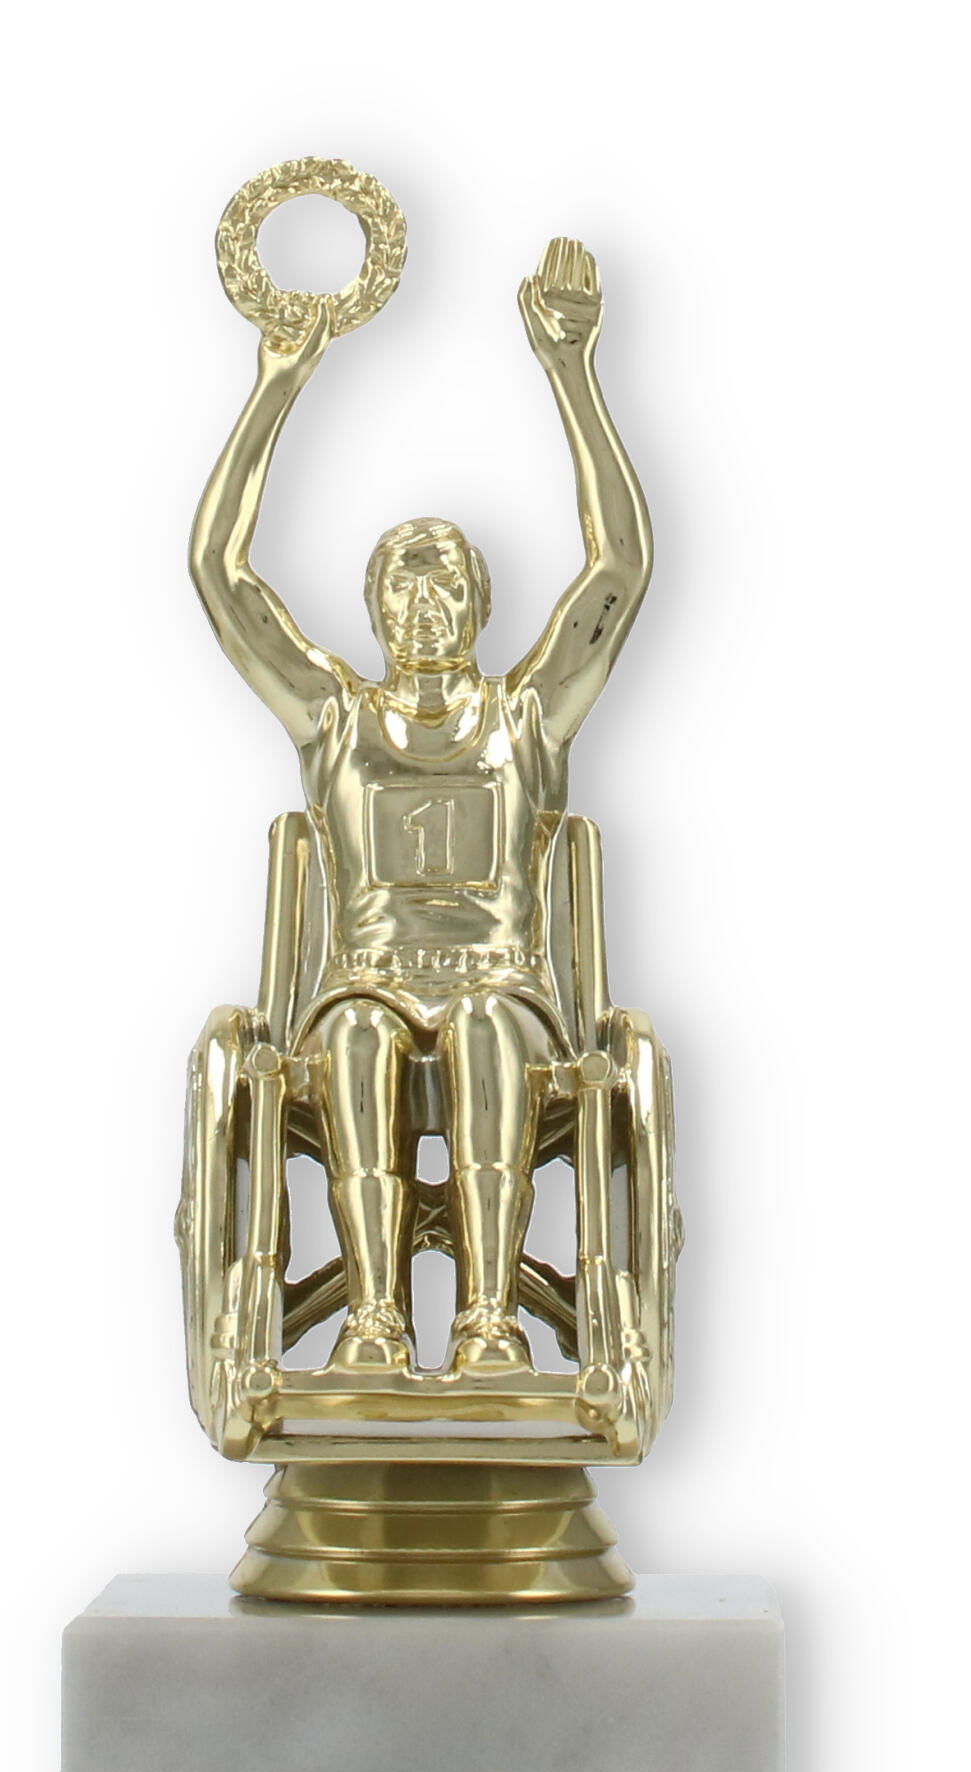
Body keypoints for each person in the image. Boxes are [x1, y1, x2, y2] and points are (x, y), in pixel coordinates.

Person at [190, 238, 652, 1376]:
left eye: (446, 579)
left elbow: (617, 574)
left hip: (504, 991)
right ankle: (374, 1318)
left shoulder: (524, 719)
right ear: (372, 609)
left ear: (481, 604)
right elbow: (220, 576)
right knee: (355, 1036)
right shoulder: (334, 720)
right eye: (402, 581)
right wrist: (274, 386)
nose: (425, 601)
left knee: (487, 1029)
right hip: (362, 987)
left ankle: (489, 1318)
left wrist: (573, 373)